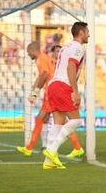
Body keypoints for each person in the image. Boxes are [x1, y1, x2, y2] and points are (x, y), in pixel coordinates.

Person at [16, 44, 83, 162]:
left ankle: (31, 148)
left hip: (52, 91)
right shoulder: (44, 58)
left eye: (28, 52)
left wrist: (35, 93)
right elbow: (41, 75)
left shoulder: (41, 58)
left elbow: (45, 74)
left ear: (33, 50)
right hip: (55, 90)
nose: (28, 54)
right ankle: (76, 148)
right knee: (55, 121)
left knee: (41, 118)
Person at [42, 22, 89, 170]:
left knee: (58, 122)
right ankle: (51, 150)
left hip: (53, 84)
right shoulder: (78, 47)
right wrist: (75, 91)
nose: (89, 34)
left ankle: (48, 162)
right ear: (81, 33)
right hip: (64, 85)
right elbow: (71, 66)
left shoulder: (66, 47)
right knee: (76, 121)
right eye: (87, 31)